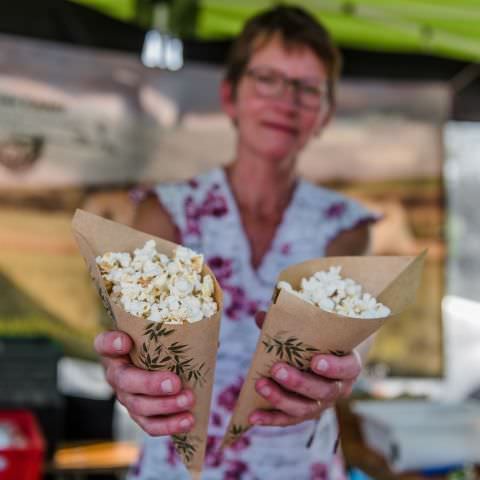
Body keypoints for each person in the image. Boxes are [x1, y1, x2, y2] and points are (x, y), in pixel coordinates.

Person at [94, 5, 378, 479]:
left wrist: (347, 372)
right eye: (268, 78)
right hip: (181, 467)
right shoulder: (166, 212)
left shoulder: (345, 227)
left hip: (297, 465)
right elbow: (139, 345)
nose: (286, 100)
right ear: (230, 96)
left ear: (325, 114)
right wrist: (129, 375)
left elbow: (357, 342)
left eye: (308, 88)